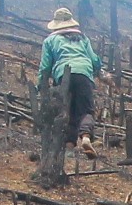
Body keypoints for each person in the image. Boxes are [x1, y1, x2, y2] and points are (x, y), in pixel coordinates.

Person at [38, 8, 101, 150]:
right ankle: (85, 136)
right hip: (84, 74)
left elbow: (45, 67)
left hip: (62, 76)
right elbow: (94, 60)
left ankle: (69, 145)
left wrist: (40, 84)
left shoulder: (50, 40)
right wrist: (98, 70)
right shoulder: (83, 38)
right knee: (86, 110)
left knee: (67, 110)